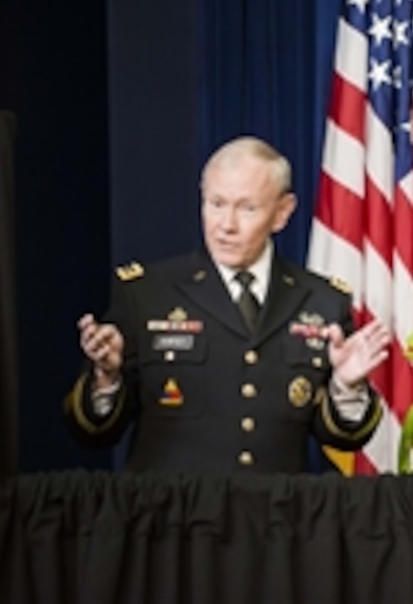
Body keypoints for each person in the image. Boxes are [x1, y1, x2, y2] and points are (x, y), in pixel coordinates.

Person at [63, 136, 391, 474]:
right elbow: (94, 433)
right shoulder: (147, 293)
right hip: (172, 517)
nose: (226, 226)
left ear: (282, 213)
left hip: (275, 518)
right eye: (216, 204)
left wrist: (346, 387)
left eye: (247, 208)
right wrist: (106, 377)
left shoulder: (323, 301)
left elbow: (341, 438)